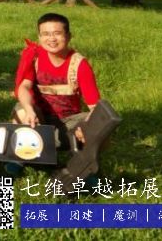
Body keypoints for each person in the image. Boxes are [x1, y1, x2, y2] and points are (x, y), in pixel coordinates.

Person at [12, 13, 101, 153]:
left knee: (99, 125)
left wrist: (87, 125)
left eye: (57, 34)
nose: (52, 39)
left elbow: (95, 106)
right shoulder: (35, 57)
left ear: (68, 36)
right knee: (22, 111)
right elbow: (24, 87)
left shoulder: (79, 64)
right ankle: (24, 157)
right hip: (38, 118)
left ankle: (83, 162)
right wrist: (29, 110)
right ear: (39, 37)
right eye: (46, 34)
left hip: (69, 121)